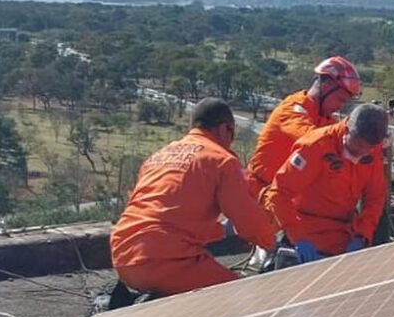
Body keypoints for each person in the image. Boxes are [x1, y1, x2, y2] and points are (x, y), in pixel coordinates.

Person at [110, 99, 278, 302]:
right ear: (225, 129)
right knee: (241, 299)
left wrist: (219, 230)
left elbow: (166, 213)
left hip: (122, 257)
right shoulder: (221, 160)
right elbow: (249, 222)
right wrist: (271, 241)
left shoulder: (158, 157)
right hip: (165, 260)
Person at [264, 103, 390, 262]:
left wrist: (363, 234)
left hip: (345, 239)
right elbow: (278, 193)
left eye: (367, 148)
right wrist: (298, 236)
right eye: (357, 145)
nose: (361, 152)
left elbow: (375, 197)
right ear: (347, 128)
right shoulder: (316, 146)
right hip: (307, 235)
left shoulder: (374, 150)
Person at [244, 57, 361, 197]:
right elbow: (310, 137)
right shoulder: (292, 109)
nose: (340, 106)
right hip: (256, 194)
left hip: (283, 197)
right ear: (327, 86)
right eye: (339, 99)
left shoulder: (326, 119)